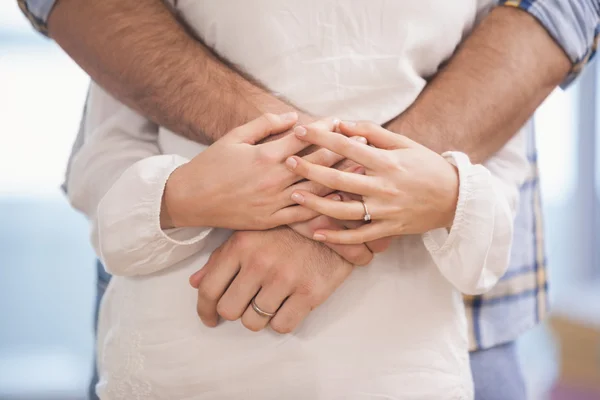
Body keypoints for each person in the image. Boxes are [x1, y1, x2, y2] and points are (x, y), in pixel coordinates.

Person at [18, 0, 599, 398]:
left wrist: (332, 202)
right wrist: (190, 195)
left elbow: (493, 192)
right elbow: (106, 159)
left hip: (419, 354)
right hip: (186, 353)